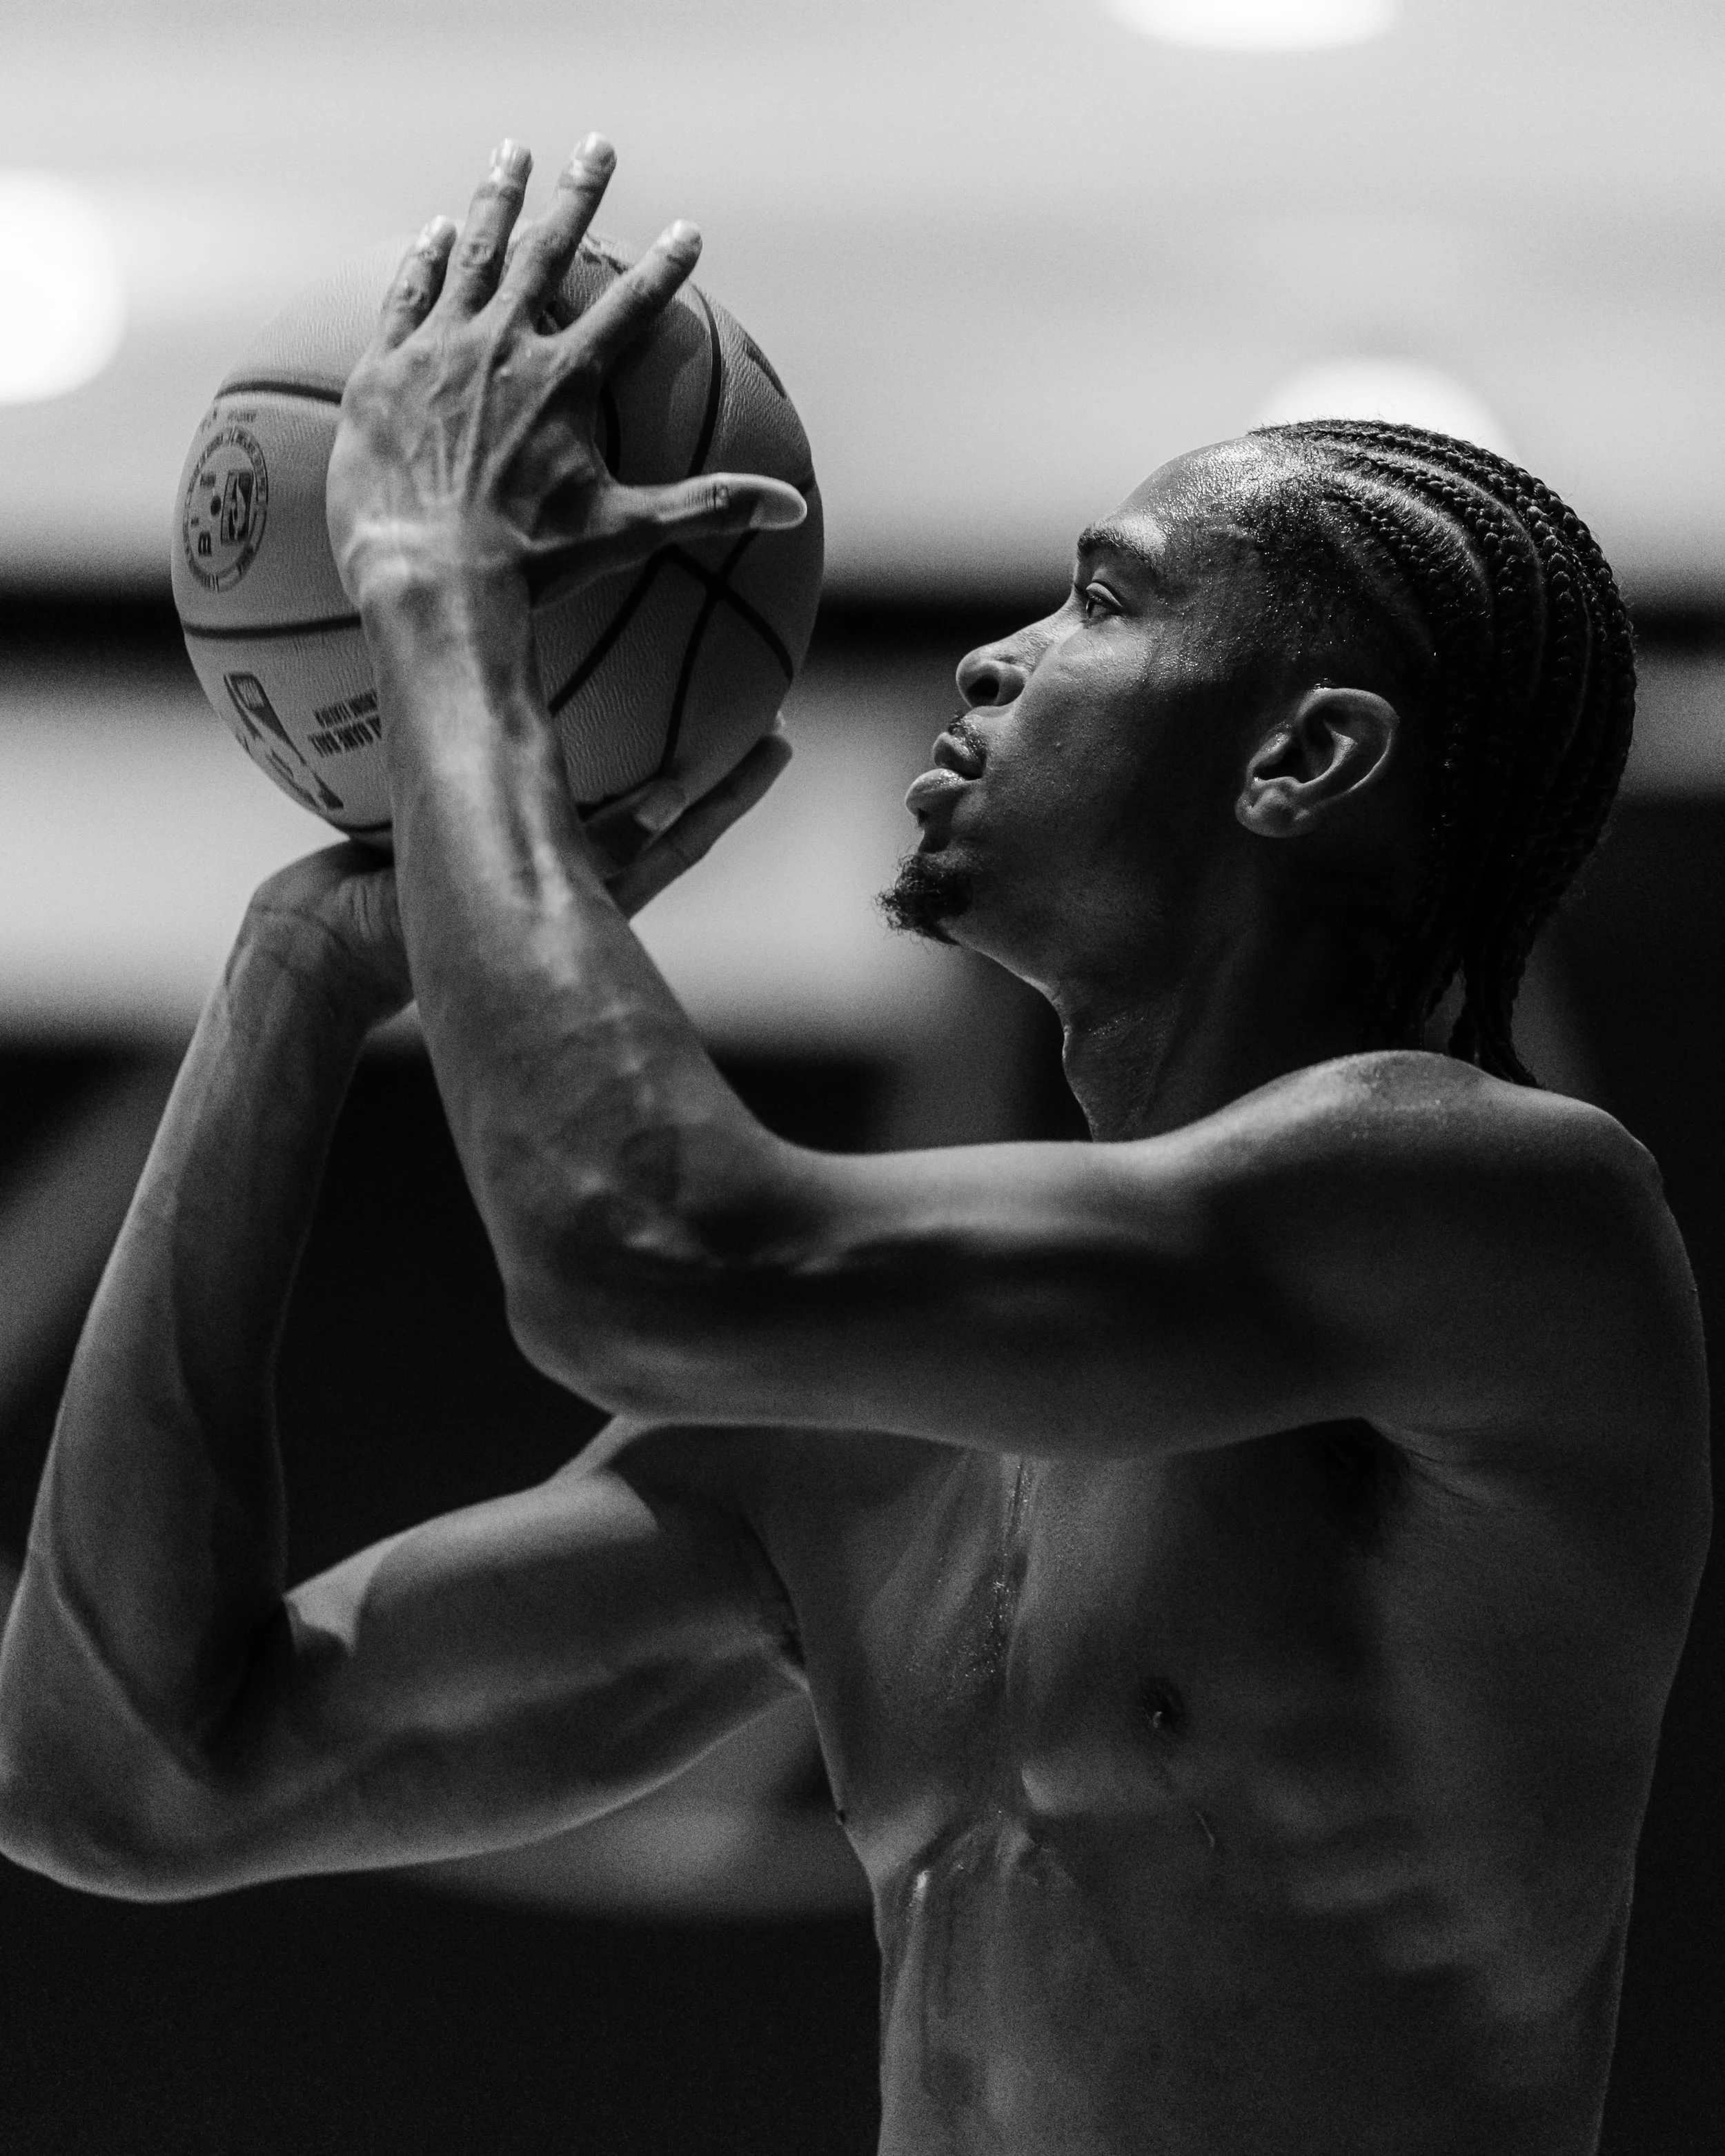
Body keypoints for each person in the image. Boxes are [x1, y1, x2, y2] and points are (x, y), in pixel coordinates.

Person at [0, 137, 1710, 2156]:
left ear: (1302, 755)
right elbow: (121, 1771)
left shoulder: (1493, 1216)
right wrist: (291, 988)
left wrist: (441, 600)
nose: (991, 656)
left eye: (1099, 600)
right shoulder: (852, 1438)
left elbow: (645, 1263)